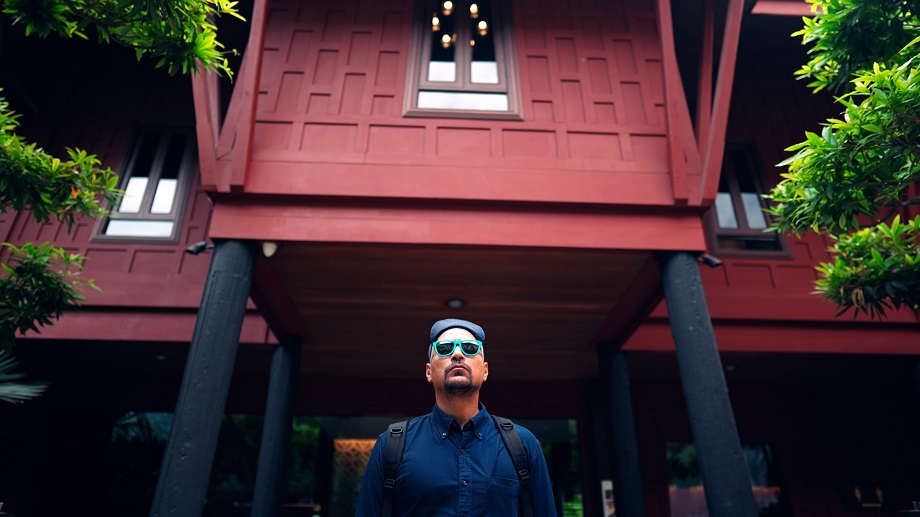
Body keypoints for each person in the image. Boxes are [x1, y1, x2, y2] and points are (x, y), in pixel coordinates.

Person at [355, 318, 557, 517]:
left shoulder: (522, 444)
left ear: (485, 371)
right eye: (444, 348)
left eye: (470, 348)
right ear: (428, 372)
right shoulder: (391, 445)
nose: (458, 354)